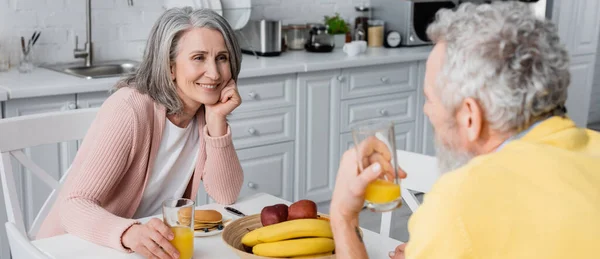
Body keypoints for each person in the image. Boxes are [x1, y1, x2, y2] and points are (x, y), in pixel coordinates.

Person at [329, 2, 600, 259]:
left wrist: (343, 217)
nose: (426, 111)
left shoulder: (461, 201)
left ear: (470, 118)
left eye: (429, 99)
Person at [36, 7, 244, 259]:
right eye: (199, 57)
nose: (214, 73)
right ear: (170, 68)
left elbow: (226, 194)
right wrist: (130, 233)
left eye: (222, 58)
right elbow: (73, 206)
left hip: (146, 248)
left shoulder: (203, 115)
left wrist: (217, 120)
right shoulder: (129, 109)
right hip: (74, 247)